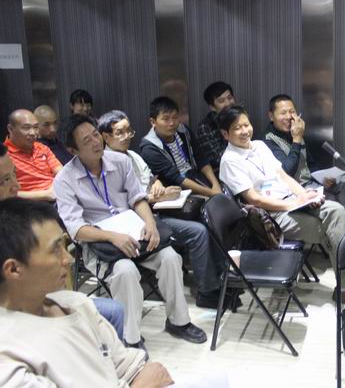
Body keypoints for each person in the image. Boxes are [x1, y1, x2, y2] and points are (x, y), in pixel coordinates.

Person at [54, 115, 207, 349]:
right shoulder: (64, 180)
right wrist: (112, 236)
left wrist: (150, 223)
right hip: (101, 244)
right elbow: (76, 229)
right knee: (125, 271)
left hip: (135, 234)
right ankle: (130, 338)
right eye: (86, 141)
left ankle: (179, 321)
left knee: (170, 257)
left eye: (95, 135)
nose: (96, 142)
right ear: (72, 150)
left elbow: (137, 199)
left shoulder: (120, 162)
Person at [0, 198, 176, 387]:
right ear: (14, 269)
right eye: (55, 250)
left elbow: (133, 367)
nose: (68, 259)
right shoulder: (9, 351)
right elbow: (148, 378)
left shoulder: (76, 304)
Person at [218, 105, 345, 308]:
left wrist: (304, 195)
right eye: (237, 128)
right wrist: (293, 203)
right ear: (225, 134)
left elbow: (283, 176)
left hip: (293, 201)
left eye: (246, 124)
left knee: (336, 210)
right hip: (272, 216)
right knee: (332, 230)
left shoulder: (259, 146)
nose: (244, 131)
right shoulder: (229, 161)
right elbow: (254, 199)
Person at [98, 110, 231, 309]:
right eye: (120, 133)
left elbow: (151, 177)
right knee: (197, 232)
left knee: (209, 216)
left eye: (128, 131)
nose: (126, 137)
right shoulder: (105, 165)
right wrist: (154, 197)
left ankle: (221, 278)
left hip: (157, 210)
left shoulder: (132, 155)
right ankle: (207, 291)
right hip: (139, 220)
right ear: (106, 137)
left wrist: (158, 184)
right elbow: (121, 204)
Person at [0, 141, 126, 339]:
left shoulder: (14, 215)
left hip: (41, 297)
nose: (16, 186)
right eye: (4, 181)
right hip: (21, 313)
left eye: (14, 175)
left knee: (113, 311)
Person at [265, 94, 345, 294]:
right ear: (271, 116)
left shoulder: (295, 133)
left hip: (313, 184)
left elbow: (310, 164)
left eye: (292, 111)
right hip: (296, 193)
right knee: (337, 209)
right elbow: (287, 172)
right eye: (283, 113)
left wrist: (323, 177)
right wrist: (297, 139)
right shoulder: (268, 143)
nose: (289, 116)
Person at [140, 96, 222, 197]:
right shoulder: (149, 147)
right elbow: (176, 178)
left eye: (175, 117)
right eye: (165, 119)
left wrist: (215, 184)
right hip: (176, 190)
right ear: (153, 122)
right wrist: (212, 193)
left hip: (196, 177)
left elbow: (200, 158)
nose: (172, 123)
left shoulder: (183, 130)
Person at [3, 109, 61, 202]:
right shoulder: (4, 156)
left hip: (57, 195)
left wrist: (56, 189)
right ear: (10, 129)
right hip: (29, 204)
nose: (33, 133)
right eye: (26, 128)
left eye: (36, 127)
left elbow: (61, 173)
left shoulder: (42, 148)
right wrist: (45, 195)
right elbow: (5, 194)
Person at [195, 81, 235, 173]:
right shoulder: (205, 127)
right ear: (212, 107)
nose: (228, 103)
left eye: (230, 98)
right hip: (221, 172)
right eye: (221, 101)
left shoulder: (239, 118)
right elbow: (217, 159)